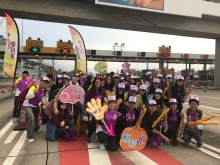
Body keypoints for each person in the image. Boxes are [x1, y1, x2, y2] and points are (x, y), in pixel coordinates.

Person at [23, 77, 49, 143]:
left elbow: (42, 97)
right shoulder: (34, 87)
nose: (45, 83)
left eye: (46, 82)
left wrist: (43, 101)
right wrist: (34, 93)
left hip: (36, 105)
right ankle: (29, 136)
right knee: (31, 118)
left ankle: (36, 128)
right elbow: (27, 96)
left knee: (37, 116)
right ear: (41, 81)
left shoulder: (44, 89)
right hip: (28, 105)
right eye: (44, 81)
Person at [85, 77, 107, 143]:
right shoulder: (89, 91)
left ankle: (103, 135)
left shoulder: (103, 91)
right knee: (94, 121)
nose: (98, 83)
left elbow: (105, 100)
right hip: (93, 110)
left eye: (99, 82)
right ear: (94, 83)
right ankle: (88, 136)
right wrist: (91, 110)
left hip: (101, 110)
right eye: (96, 82)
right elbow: (86, 102)